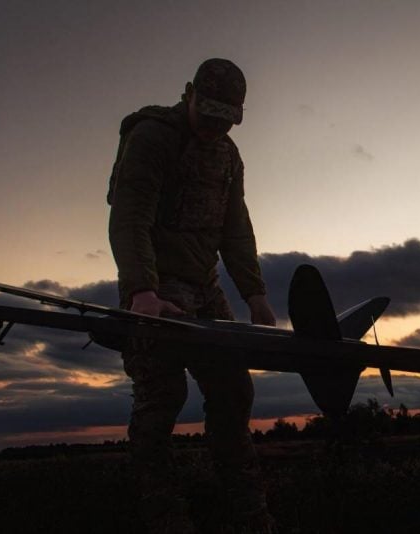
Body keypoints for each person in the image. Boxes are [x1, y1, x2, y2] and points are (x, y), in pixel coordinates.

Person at [109, 58, 277, 534]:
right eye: (208, 115)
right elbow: (130, 217)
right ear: (189, 95)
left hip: (205, 288)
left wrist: (255, 294)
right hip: (155, 287)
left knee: (234, 391)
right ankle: (165, 517)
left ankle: (249, 516)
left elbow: (236, 228)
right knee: (162, 397)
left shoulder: (228, 156)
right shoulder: (151, 137)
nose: (214, 128)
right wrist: (143, 292)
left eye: (226, 120)